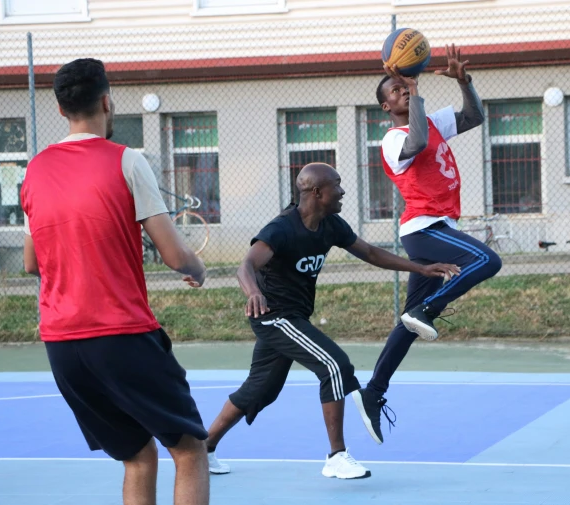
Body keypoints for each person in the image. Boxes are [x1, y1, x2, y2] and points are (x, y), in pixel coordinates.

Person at [21, 58, 209, 505]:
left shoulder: (36, 171)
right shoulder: (126, 160)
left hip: (62, 343)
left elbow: (31, 262)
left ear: (62, 110)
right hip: (119, 334)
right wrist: (197, 268)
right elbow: (174, 254)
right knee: (189, 450)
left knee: (137, 456)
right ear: (107, 101)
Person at [204, 163, 460, 479]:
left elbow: (370, 253)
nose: (342, 191)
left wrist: (420, 269)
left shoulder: (331, 225)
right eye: (337, 185)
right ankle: (336, 456)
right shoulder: (281, 228)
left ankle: (203, 449)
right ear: (317, 192)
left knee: (260, 390)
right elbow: (245, 266)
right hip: (273, 316)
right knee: (335, 366)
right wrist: (253, 292)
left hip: (294, 317)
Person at [352, 45, 503, 445]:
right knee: (487, 260)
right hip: (423, 228)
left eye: (405, 87)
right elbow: (417, 143)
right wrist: (414, 85)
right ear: (386, 106)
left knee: (407, 324)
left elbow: (474, 116)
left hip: (439, 224)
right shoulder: (392, 138)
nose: (403, 91)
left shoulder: (432, 120)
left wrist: (463, 82)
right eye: (397, 90)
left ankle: (373, 393)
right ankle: (428, 308)